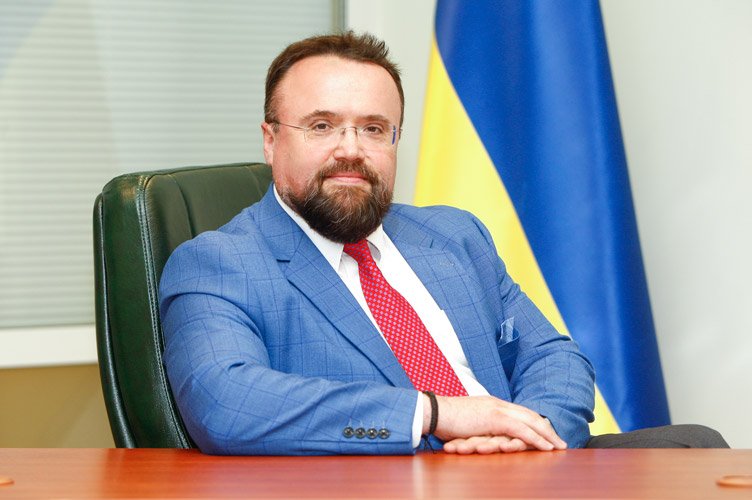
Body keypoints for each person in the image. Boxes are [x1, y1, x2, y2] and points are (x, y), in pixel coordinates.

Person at [159, 31, 727, 455]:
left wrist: (525, 433)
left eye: (374, 128)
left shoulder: (453, 234)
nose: (351, 149)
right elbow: (226, 401)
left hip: (519, 469)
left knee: (696, 445)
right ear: (270, 141)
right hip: (387, 479)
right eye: (322, 125)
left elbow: (552, 355)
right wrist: (435, 414)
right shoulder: (218, 263)